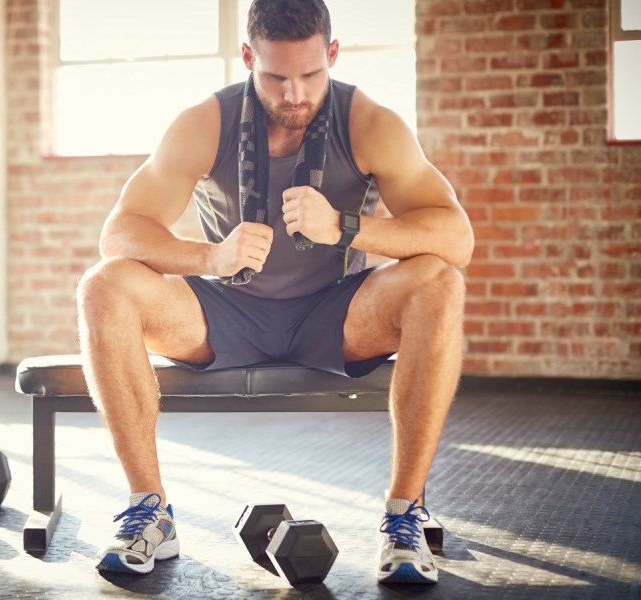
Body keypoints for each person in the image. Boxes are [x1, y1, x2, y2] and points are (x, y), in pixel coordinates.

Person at [76, 0, 473, 585]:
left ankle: (403, 516)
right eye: (276, 77)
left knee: (440, 282)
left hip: (336, 311)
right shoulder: (204, 123)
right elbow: (120, 232)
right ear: (247, 58)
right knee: (103, 285)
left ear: (332, 55)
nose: (294, 94)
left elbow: (454, 236)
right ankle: (149, 513)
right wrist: (209, 255)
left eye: (310, 76)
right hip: (228, 310)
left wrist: (345, 225)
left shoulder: (368, 122)